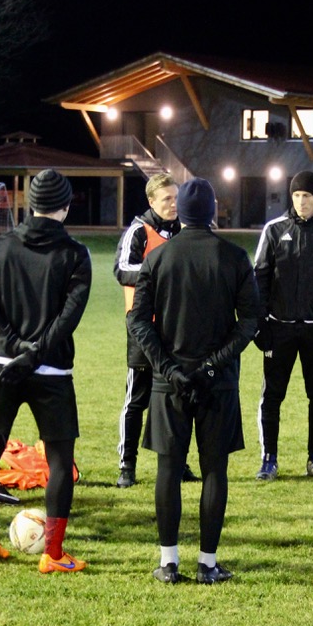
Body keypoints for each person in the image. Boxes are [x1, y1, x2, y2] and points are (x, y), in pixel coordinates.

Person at [128, 178, 260, 584]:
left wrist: (169, 369)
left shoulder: (159, 258)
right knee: (214, 470)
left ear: (181, 211)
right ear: (214, 209)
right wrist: (210, 366)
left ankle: (169, 562)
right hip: (216, 383)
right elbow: (250, 322)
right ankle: (207, 563)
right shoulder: (235, 257)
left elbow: (137, 320)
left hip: (171, 384)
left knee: (168, 470)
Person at [0, 169, 91, 571]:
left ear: (29, 204)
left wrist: (16, 348)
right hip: (51, 370)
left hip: (2, 364)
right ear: (66, 206)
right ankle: (53, 556)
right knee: (59, 460)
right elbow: (67, 319)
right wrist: (35, 352)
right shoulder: (75, 253)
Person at [253, 170, 313, 480]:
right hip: (279, 327)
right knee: (272, 395)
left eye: (307, 196)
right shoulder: (274, 230)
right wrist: (260, 323)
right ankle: (269, 459)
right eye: (296, 196)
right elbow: (260, 278)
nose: (301, 201)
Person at [112, 173, 196, 489]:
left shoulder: (185, 230)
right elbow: (121, 270)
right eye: (167, 199)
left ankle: (178, 463)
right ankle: (127, 466)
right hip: (143, 330)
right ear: (151, 201)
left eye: (177, 198)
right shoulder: (138, 231)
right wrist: (161, 272)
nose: (174, 205)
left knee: (178, 398)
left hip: (177, 329)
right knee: (137, 399)